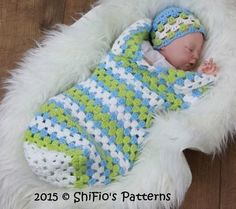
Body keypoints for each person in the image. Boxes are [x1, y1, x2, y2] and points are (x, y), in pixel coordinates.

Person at [141, 6, 218, 76]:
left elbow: (188, 83)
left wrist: (201, 73)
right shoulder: (148, 52)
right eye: (190, 49)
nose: (197, 57)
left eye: (199, 52)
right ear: (164, 44)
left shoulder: (180, 75)